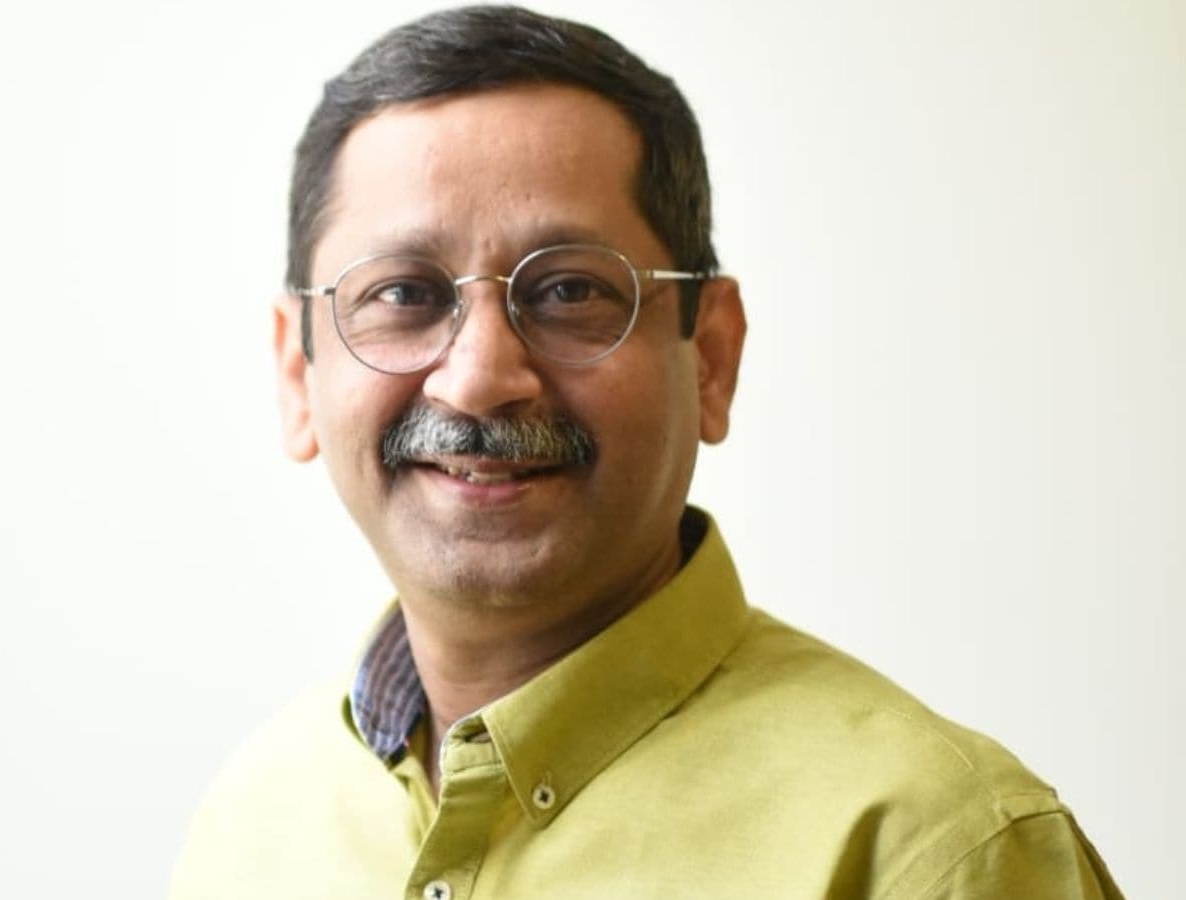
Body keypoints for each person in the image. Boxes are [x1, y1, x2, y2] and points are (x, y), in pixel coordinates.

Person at [170, 6, 1123, 898]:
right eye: (405, 295)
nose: (480, 377)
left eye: (569, 291)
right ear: (297, 372)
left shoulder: (937, 852)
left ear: (711, 357)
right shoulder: (252, 824)